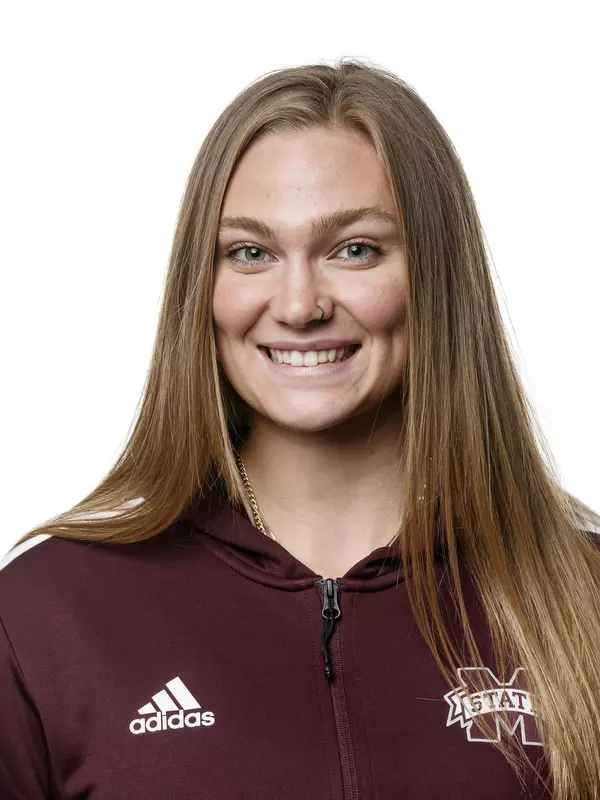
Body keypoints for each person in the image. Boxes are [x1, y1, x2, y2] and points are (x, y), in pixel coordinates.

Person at [1, 57, 599, 800]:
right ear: (203, 286)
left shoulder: (583, 598)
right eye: (250, 253)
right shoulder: (46, 614)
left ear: (436, 277)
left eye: (355, 249)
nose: (298, 304)